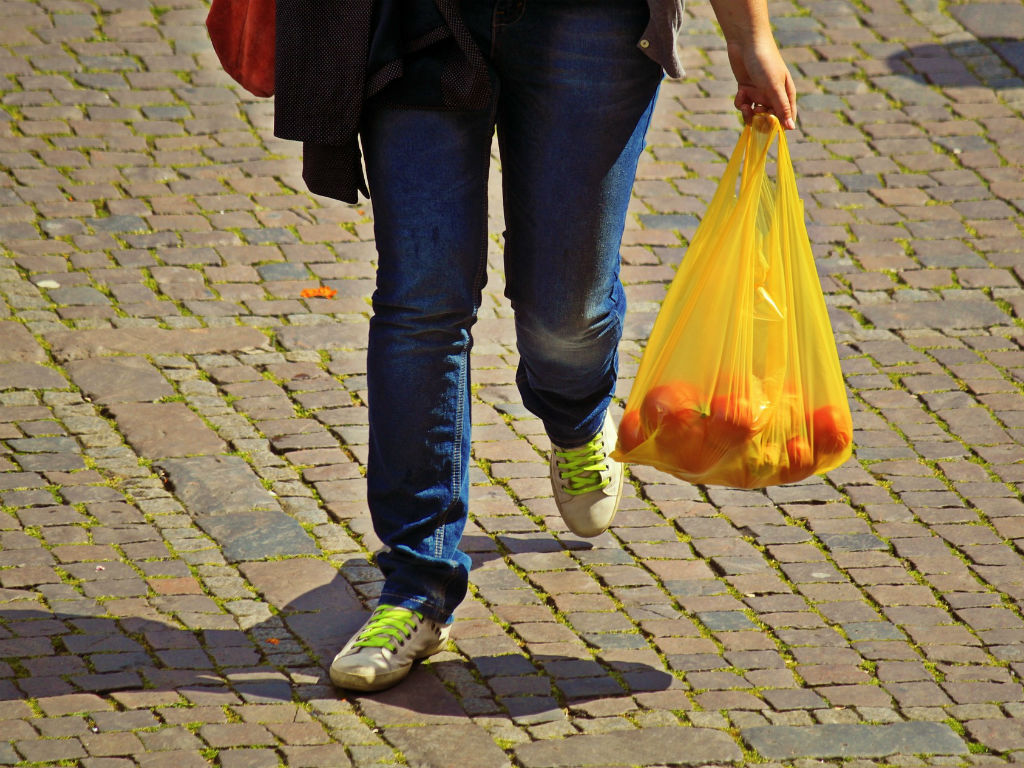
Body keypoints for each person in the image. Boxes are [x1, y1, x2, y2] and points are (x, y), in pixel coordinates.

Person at [276, 0, 796, 693]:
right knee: (421, 300)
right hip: (415, 15)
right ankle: (416, 587)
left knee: (566, 312)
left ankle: (577, 412)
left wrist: (750, 34)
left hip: (589, 21)